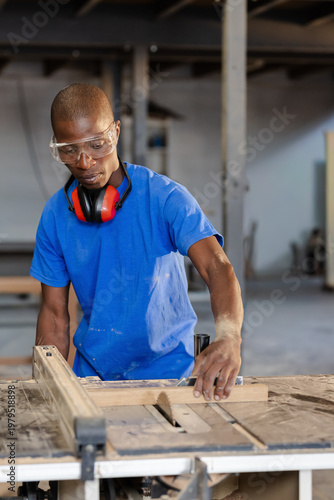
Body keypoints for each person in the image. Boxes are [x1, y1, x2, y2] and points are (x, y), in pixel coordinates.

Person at [30, 83, 243, 401]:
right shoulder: (55, 216)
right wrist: (46, 384)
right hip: (93, 378)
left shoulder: (165, 198)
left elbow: (217, 266)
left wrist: (229, 336)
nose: (85, 162)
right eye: (69, 149)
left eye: (97, 144)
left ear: (115, 132)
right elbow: (54, 313)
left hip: (170, 376)